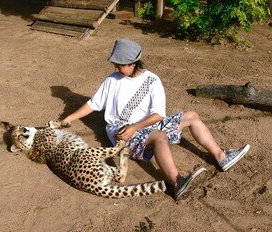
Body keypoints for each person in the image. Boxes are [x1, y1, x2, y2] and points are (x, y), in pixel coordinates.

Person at [53, 38, 250, 200]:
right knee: (159, 136)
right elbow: (93, 104)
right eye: (115, 63)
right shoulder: (111, 80)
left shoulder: (152, 81)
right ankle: (178, 182)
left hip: (145, 124)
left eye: (120, 64)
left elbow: (158, 115)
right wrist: (67, 118)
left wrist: (136, 126)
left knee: (191, 116)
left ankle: (221, 157)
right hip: (120, 130)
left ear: (133, 63)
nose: (116, 67)